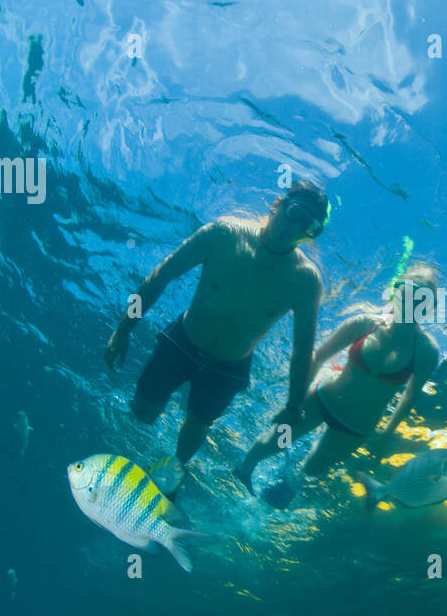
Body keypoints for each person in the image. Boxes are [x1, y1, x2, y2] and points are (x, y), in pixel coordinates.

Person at [104, 180, 328, 469]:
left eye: (309, 227)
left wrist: (294, 405)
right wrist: (123, 329)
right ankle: (123, 468)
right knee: (142, 411)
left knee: (197, 427)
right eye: (295, 212)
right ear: (277, 203)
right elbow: (162, 275)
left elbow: (302, 350)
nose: (296, 228)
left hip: (229, 369)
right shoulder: (224, 234)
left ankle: (172, 477)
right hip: (181, 341)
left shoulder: (306, 280)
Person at [235, 262, 442, 508]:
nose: (413, 300)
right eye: (408, 291)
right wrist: (294, 403)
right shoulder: (364, 324)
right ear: (396, 292)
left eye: (422, 297)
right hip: (320, 401)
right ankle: (242, 471)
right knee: (275, 442)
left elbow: (410, 397)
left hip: (354, 428)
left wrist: (384, 437)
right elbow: (318, 356)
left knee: (309, 471)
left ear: (430, 306)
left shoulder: (426, 351)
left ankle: (267, 507)